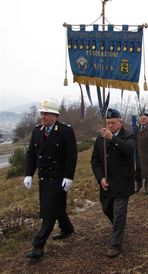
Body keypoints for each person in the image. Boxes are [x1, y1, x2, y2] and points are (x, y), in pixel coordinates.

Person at [23, 98, 77, 261]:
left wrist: (69, 177)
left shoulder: (65, 131)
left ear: (55, 116)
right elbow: (32, 154)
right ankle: (67, 229)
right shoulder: (37, 131)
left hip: (59, 178)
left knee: (49, 212)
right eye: (42, 113)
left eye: (46, 113)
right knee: (56, 207)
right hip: (44, 177)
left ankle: (37, 246)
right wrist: (28, 174)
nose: (43, 116)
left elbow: (71, 156)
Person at [91, 108, 135, 258]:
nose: (110, 126)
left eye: (113, 123)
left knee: (119, 213)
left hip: (123, 183)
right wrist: (101, 178)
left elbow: (128, 150)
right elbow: (95, 160)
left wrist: (112, 138)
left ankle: (116, 244)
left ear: (120, 122)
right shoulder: (100, 137)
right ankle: (119, 227)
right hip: (107, 183)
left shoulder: (129, 135)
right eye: (108, 123)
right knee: (106, 208)